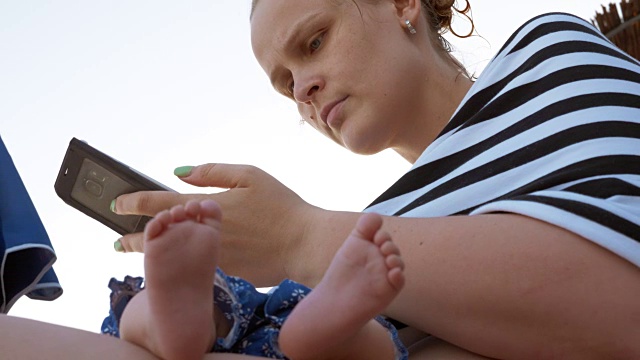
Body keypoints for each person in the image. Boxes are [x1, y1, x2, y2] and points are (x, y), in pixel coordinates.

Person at [1, 0, 639, 359]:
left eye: (313, 43)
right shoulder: (385, 234)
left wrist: (298, 240)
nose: (301, 90)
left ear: (401, 3)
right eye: (283, 84)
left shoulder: (545, 51)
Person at [111, 199, 408, 360]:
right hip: (270, 324)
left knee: (135, 308)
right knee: (369, 344)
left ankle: (168, 325)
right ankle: (320, 330)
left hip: (227, 322)